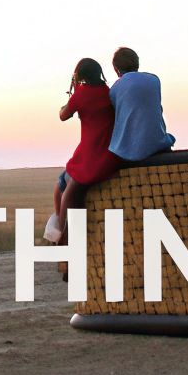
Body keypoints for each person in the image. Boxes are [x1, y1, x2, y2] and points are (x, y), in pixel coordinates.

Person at [45, 57, 117, 245]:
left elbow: (63, 115)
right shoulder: (107, 93)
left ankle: (61, 236)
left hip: (89, 156)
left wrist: (72, 95)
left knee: (63, 189)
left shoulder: (82, 94)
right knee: (67, 187)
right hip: (107, 154)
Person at [107, 47, 175, 161]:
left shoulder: (114, 89)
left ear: (116, 69)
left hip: (131, 151)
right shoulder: (154, 79)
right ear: (137, 63)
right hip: (159, 142)